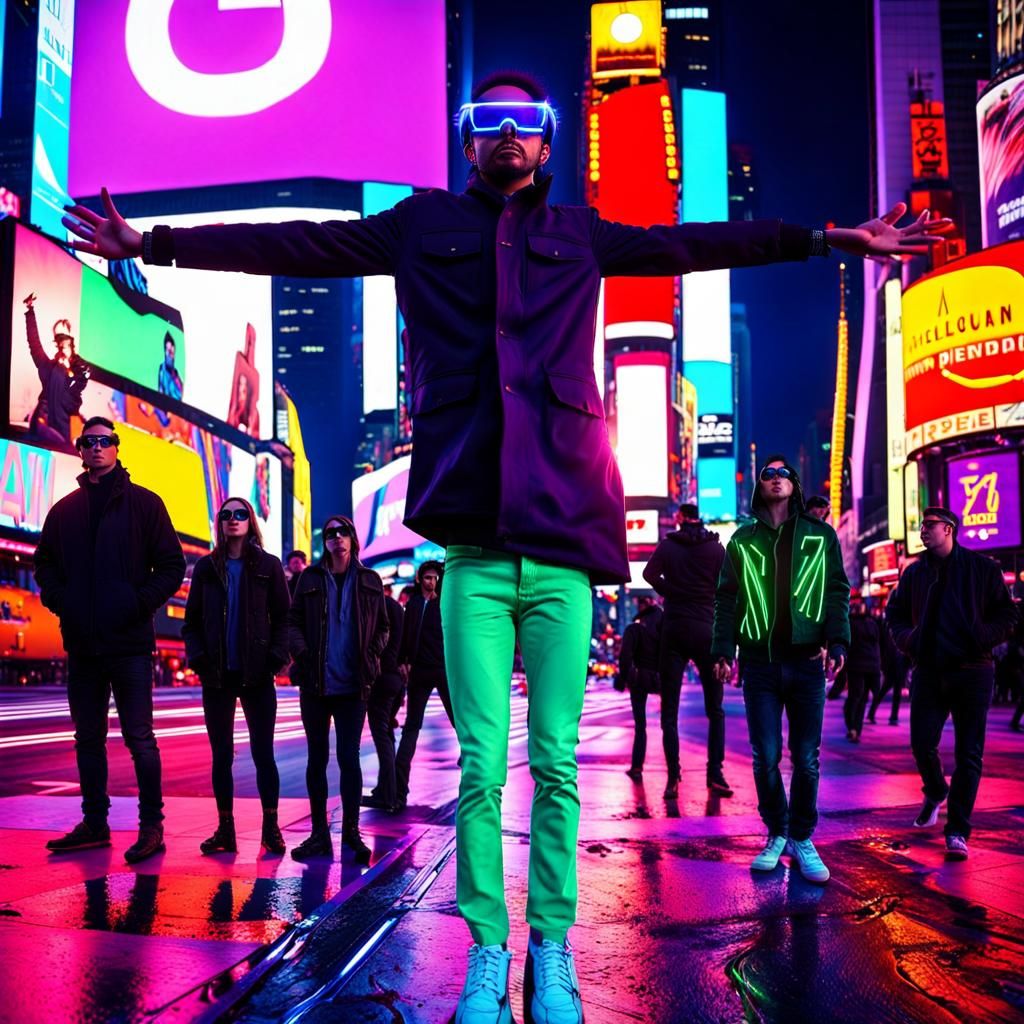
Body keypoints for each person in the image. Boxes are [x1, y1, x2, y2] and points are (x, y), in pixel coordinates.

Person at [63, 67, 949, 1024]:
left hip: (563, 545)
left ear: (550, 141)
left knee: (559, 763)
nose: (508, 138)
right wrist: (151, 239)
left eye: (526, 124)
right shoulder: (420, 224)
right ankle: (490, 951)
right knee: (485, 765)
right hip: (475, 557)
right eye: (489, 123)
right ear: (466, 136)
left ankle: (552, 950)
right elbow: (300, 242)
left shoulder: (580, 233)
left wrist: (827, 239)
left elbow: (695, 241)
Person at [34, 417, 186, 863]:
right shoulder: (64, 511)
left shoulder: (145, 505)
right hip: (83, 644)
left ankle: (152, 826)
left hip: (130, 645)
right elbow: (44, 566)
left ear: (117, 449)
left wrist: (138, 604)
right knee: (87, 739)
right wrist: (64, 603)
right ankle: (95, 824)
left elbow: (172, 566)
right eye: (89, 442)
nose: (97, 447)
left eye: (105, 441)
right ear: (80, 450)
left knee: (140, 738)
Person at [712, 455, 850, 884]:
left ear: (795, 483)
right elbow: (726, 600)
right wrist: (722, 649)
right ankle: (777, 831)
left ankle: (802, 838)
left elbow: (836, 591)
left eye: (782, 472)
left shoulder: (820, 535)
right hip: (759, 666)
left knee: (806, 759)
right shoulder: (742, 540)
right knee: (765, 758)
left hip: (808, 664)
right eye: (767, 474)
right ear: (760, 486)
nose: (775, 478)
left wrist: (839, 640)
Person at [885, 506, 1017, 860]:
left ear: (949, 529)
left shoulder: (982, 569)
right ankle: (935, 789)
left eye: (930, 526)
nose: (923, 532)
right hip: (928, 670)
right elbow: (893, 614)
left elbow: (1008, 614)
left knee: (969, 754)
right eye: (922, 526)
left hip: (973, 671)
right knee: (921, 743)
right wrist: (908, 640)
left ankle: (957, 830)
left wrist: (982, 636)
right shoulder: (914, 574)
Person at [183, 497, 290, 856]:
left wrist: (274, 660)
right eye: (226, 515)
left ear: (250, 521)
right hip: (216, 676)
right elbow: (192, 622)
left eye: (240, 514)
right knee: (221, 756)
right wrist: (198, 658)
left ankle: (270, 828)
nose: (233, 520)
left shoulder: (269, 566)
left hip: (258, 675)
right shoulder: (206, 568)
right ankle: (224, 830)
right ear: (219, 523)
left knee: (263, 754)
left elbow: (284, 619)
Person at [287, 515, 389, 864]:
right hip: (315, 683)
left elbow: (384, 627)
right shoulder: (310, 579)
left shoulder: (370, 580)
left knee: (349, 759)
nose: (336, 538)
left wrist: (372, 656)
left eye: (342, 531)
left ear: (353, 539)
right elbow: (293, 621)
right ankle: (319, 836)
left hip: (353, 685)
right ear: (325, 542)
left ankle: (351, 833)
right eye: (330, 533)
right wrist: (302, 653)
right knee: (316, 759)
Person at [643, 503, 731, 798]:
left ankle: (673, 777)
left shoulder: (668, 547)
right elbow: (729, 589)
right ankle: (715, 773)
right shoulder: (716, 550)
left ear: (680, 519)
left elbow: (648, 574)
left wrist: (673, 592)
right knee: (715, 710)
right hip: (708, 630)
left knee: (670, 711)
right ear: (700, 519)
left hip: (675, 629)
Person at [395, 560, 455, 811]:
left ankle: (474, 770)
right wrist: (403, 661)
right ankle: (398, 791)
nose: (432, 582)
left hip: (443, 670)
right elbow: (405, 636)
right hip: (419, 672)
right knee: (411, 729)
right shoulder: (414, 604)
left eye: (435, 578)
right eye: (428, 578)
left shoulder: (445, 604)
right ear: (420, 579)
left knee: (460, 723)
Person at [22, 292, 91, 451]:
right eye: (59, 339)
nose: (63, 344)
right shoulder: (48, 367)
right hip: (44, 426)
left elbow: (76, 391)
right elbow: (34, 343)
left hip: (65, 431)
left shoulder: (80, 371)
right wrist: (30, 311)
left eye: (66, 339)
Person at [364, 585, 405, 812]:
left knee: (382, 737)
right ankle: (387, 790)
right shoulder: (397, 608)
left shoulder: (374, 608)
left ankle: (388, 795)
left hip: (379, 679)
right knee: (387, 736)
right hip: (395, 679)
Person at [614, 595, 663, 781]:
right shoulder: (663, 626)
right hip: (659, 678)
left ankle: (637, 767)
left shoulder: (634, 628)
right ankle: (673, 772)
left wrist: (623, 677)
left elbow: (625, 656)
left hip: (639, 678)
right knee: (669, 724)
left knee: (640, 725)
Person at [843, 593, 881, 742]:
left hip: (856, 666)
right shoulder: (872, 624)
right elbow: (878, 645)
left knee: (854, 697)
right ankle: (856, 729)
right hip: (871, 666)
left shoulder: (849, 624)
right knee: (863, 698)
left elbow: (847, 647)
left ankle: (851, 727)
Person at [869, 605, 908, 725]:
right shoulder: (886, 627)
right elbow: (884, 647)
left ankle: (892, 716)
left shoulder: (895, 627)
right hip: (892, 664)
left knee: (894, 692)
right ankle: (874, 713)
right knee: (885, 690)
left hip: (898, 664)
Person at [156, 332, 184, 400]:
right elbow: (161, 390)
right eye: (168, 350)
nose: (170, 353)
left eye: (172, 349)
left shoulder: (176, 373)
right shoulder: (162, 369)